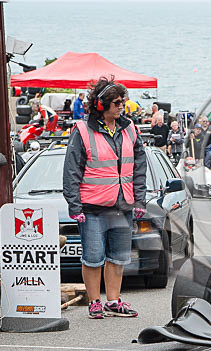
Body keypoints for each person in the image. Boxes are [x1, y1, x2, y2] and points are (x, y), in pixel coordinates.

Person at [62, 77, 147, 319]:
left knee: (118, 257)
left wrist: (139, 200)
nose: (122, 106)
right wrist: (74, 204)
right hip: (91, 208)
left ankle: (113, 300)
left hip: (122, 205)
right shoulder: (82, 131)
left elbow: (139, 167)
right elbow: (71, 170)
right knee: (93, 257)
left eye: (123, 101)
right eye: (117, 102)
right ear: (101, 105)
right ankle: (94, 301)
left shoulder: (130, 129)